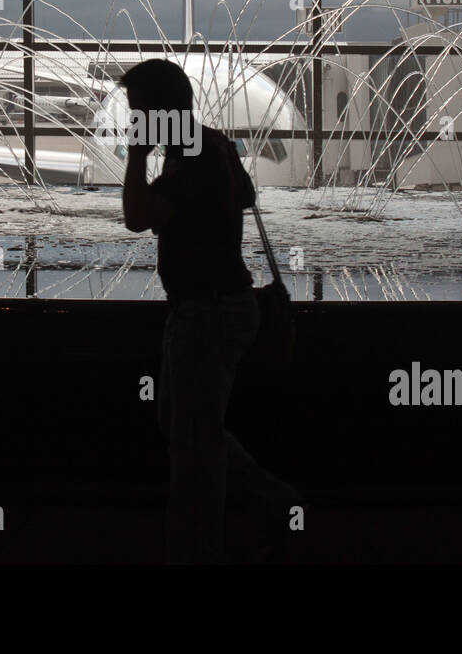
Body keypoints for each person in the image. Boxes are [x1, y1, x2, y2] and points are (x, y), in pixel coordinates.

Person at [119, 58, 296, 564]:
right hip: (219, 308)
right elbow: (246, 195)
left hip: (207, 316)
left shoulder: (190, 162)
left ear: (159, 111)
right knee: (186, 426)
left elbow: (136, 217)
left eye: (138, 113)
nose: (134, 123)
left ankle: (197, 550)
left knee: (193, 454)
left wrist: (137, 159)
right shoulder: (212, 143)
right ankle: (273, 498)